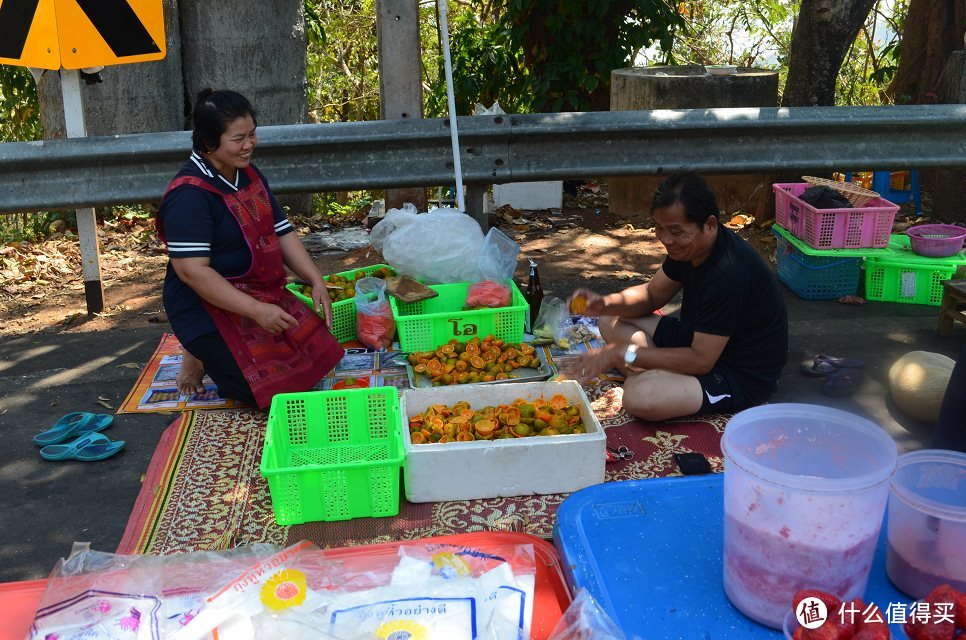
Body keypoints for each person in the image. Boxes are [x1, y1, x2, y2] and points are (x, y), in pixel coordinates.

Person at [156, 89, 343, 409]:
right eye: (238, 138)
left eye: (253, 134)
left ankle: (210, 349)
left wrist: (315, 279)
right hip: (203, 303)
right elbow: (192, 271)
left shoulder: (249, 174)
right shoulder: (188, 195)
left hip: (256, 288)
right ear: (208, 142)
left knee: (317, 360)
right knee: (271, 392)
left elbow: (282, 232)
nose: (249, 145)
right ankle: (197, 351)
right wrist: (256, 311)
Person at [560, 172, 788, 420]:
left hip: (735, 373)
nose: (666, 240)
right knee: (610, 317)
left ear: (710, 224)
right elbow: (651, 294)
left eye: (676, 231)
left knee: (640, 397)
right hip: (695, 339)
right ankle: (649, 370)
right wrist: (603, 303)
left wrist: (619, 354)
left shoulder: (727, 275)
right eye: (659, 228)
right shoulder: (689, 248)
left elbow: (701, 361)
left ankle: (646, 373)